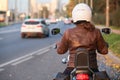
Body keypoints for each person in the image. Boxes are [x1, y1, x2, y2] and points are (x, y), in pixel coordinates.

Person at [56, 3, 108, 80]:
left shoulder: (68, 32)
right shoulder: (96, 32)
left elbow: (60, 51)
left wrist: (59, 45)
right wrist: (105, 45)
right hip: (92, 68)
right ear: (89, 15)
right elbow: (104, 51)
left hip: (72, 67)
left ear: (74, 16)